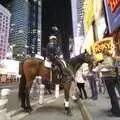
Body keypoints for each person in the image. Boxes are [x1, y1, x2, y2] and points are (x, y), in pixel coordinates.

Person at [99, 51, 120, 117]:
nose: (103, 56)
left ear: (105, 54)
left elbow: (110, 65)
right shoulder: (110, 59)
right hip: (110, 78)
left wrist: (101, 66)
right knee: (112, 95)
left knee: (113, 96)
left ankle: (116, 112)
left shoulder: (108, 59)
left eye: (103, 55)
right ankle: (114, 109)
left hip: (110, 78)